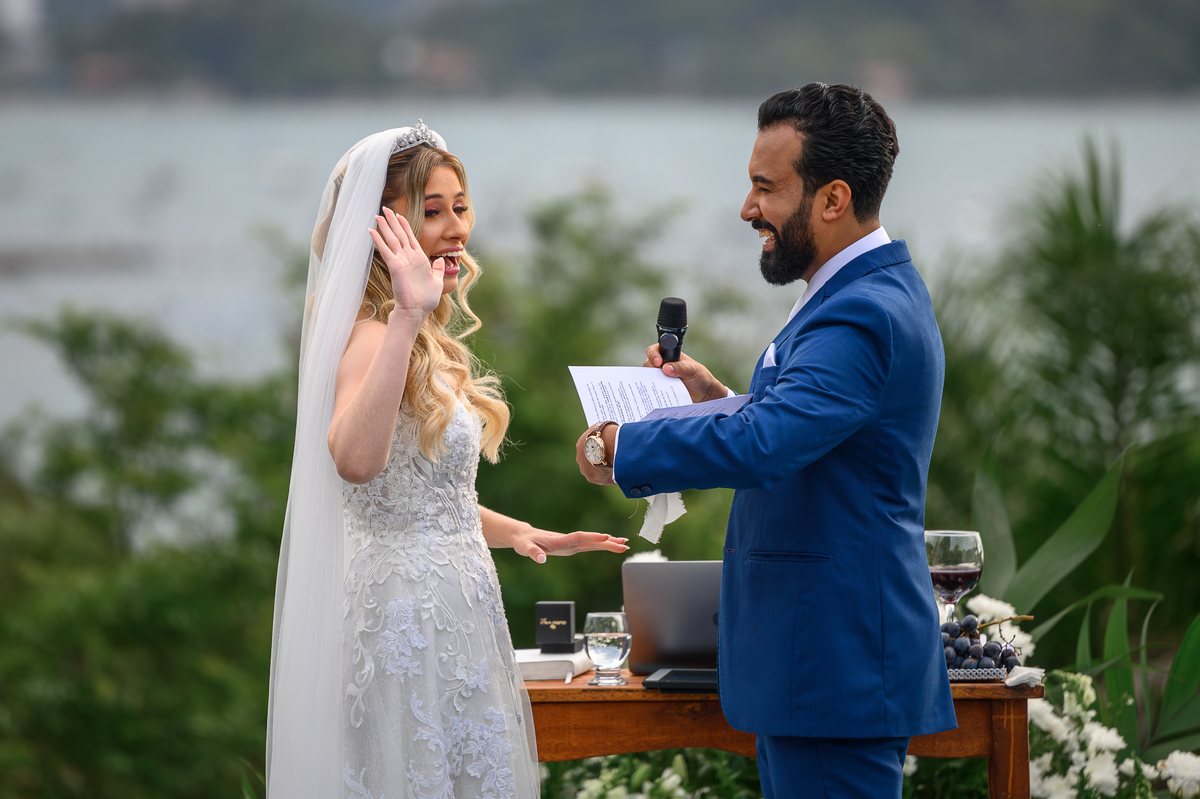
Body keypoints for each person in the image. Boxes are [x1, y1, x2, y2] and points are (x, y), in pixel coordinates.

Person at [575, 84, 956, 798]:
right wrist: (716, 400)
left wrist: (624, 447)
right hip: (819, 667)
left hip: (832, 664)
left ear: (832, 198)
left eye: (765, 188)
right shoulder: (857, 296)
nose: (748, 208)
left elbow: (767, 443)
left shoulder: (860, 315)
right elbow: (807, 427)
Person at [268, 122, 628, 799]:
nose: (456, 226)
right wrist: (406, 314)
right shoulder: (373, 335)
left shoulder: (422, 337)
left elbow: (425, 497)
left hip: (460, 606)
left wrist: (520, 530)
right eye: (431, 211)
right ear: (385, 229)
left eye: (460, 205)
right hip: (404, 617)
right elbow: (353, 461)